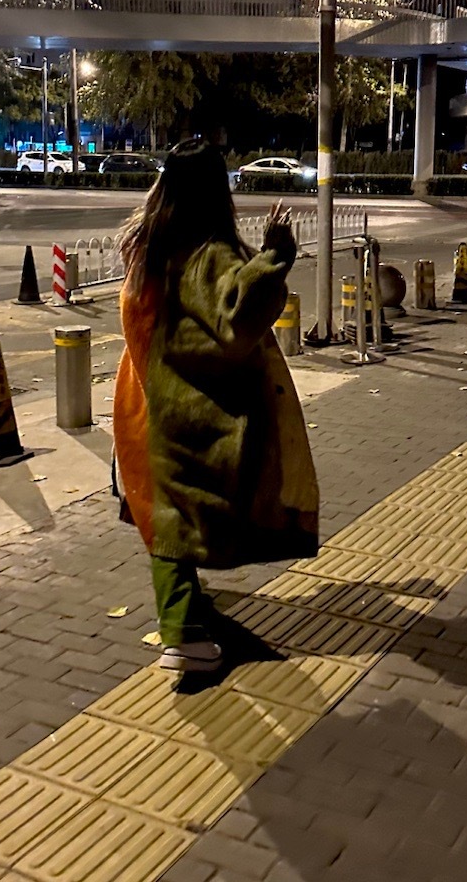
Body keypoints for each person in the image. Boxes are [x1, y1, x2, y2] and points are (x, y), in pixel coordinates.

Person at [112, 138, 319, 673]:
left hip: (144, 401)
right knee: (179, 526)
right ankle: (182, 636)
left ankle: (184, 618)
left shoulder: (145, 245)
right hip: (195, 412)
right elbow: (239, 315)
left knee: (165, 518)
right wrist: (275, 255)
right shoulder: (208, 253)